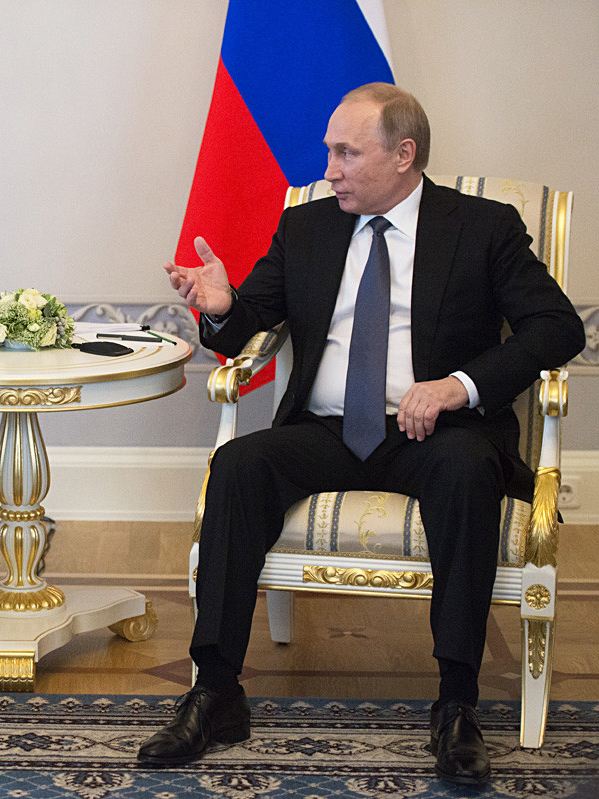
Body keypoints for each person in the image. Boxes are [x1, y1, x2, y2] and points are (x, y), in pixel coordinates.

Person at [139, 83, 585, 786]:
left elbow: (557, 326)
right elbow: (251, 313)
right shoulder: (308, 226)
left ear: (404, 155)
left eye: (347, 152)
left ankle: (457, 703)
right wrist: (222, 307)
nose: (331, 168)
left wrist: (457, 386)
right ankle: (216, 690)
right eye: (329, 152)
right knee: (237, 464)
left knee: (468, 469)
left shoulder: (483, 226)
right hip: (326, 430)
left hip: (436, 434)